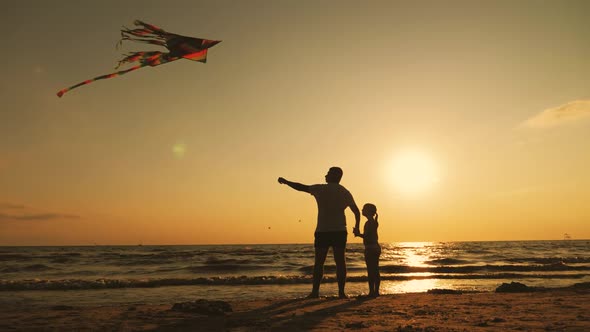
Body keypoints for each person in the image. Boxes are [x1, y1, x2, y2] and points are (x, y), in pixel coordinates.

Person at [278, 167, 360, 298]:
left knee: (319, 262)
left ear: (334, 176)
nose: (325, 175)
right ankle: (341, 293)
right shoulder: (345, 192)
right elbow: (356, 211)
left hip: (323, 230)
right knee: (340, 262)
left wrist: (287, 182)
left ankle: (315, 292)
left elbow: (301, 187)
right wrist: (357, 227)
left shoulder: (320, 189)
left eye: (328, 173)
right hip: (339, 230)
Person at [354, 203, 381, 297]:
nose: (361, 210)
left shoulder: (370, 222)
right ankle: (375, 291)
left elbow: (367, 236)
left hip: (371, 248)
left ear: (368, 211)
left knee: (371, 270)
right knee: (375, 269)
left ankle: (372, 292)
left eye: (363, 209)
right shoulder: (373, 222)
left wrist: (358, 234)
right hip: (375, 247)